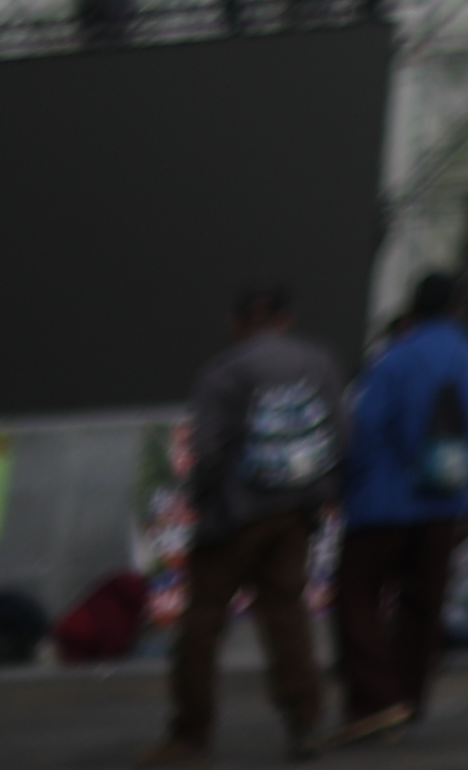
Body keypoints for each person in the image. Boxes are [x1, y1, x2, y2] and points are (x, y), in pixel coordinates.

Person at [145, 278, 340, 768]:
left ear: (236, 324)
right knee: (287, 617)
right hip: (296, 512)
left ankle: (190, 731)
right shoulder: (319, 362)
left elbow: (207, 451)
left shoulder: (223, 371)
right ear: (285, 317)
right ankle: (304, 722)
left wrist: (203, 503)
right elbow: (340, 432)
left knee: (203, 624)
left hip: (234, 515)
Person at [336, 272, 468, 739]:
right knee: (424, 603)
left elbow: (364, 430)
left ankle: (376, 697)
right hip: (446, 502)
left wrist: (345, 486)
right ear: (458, 307)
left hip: (383, 501)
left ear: (412, 309)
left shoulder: (394, 358)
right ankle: (409, 696)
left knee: (356, 597)